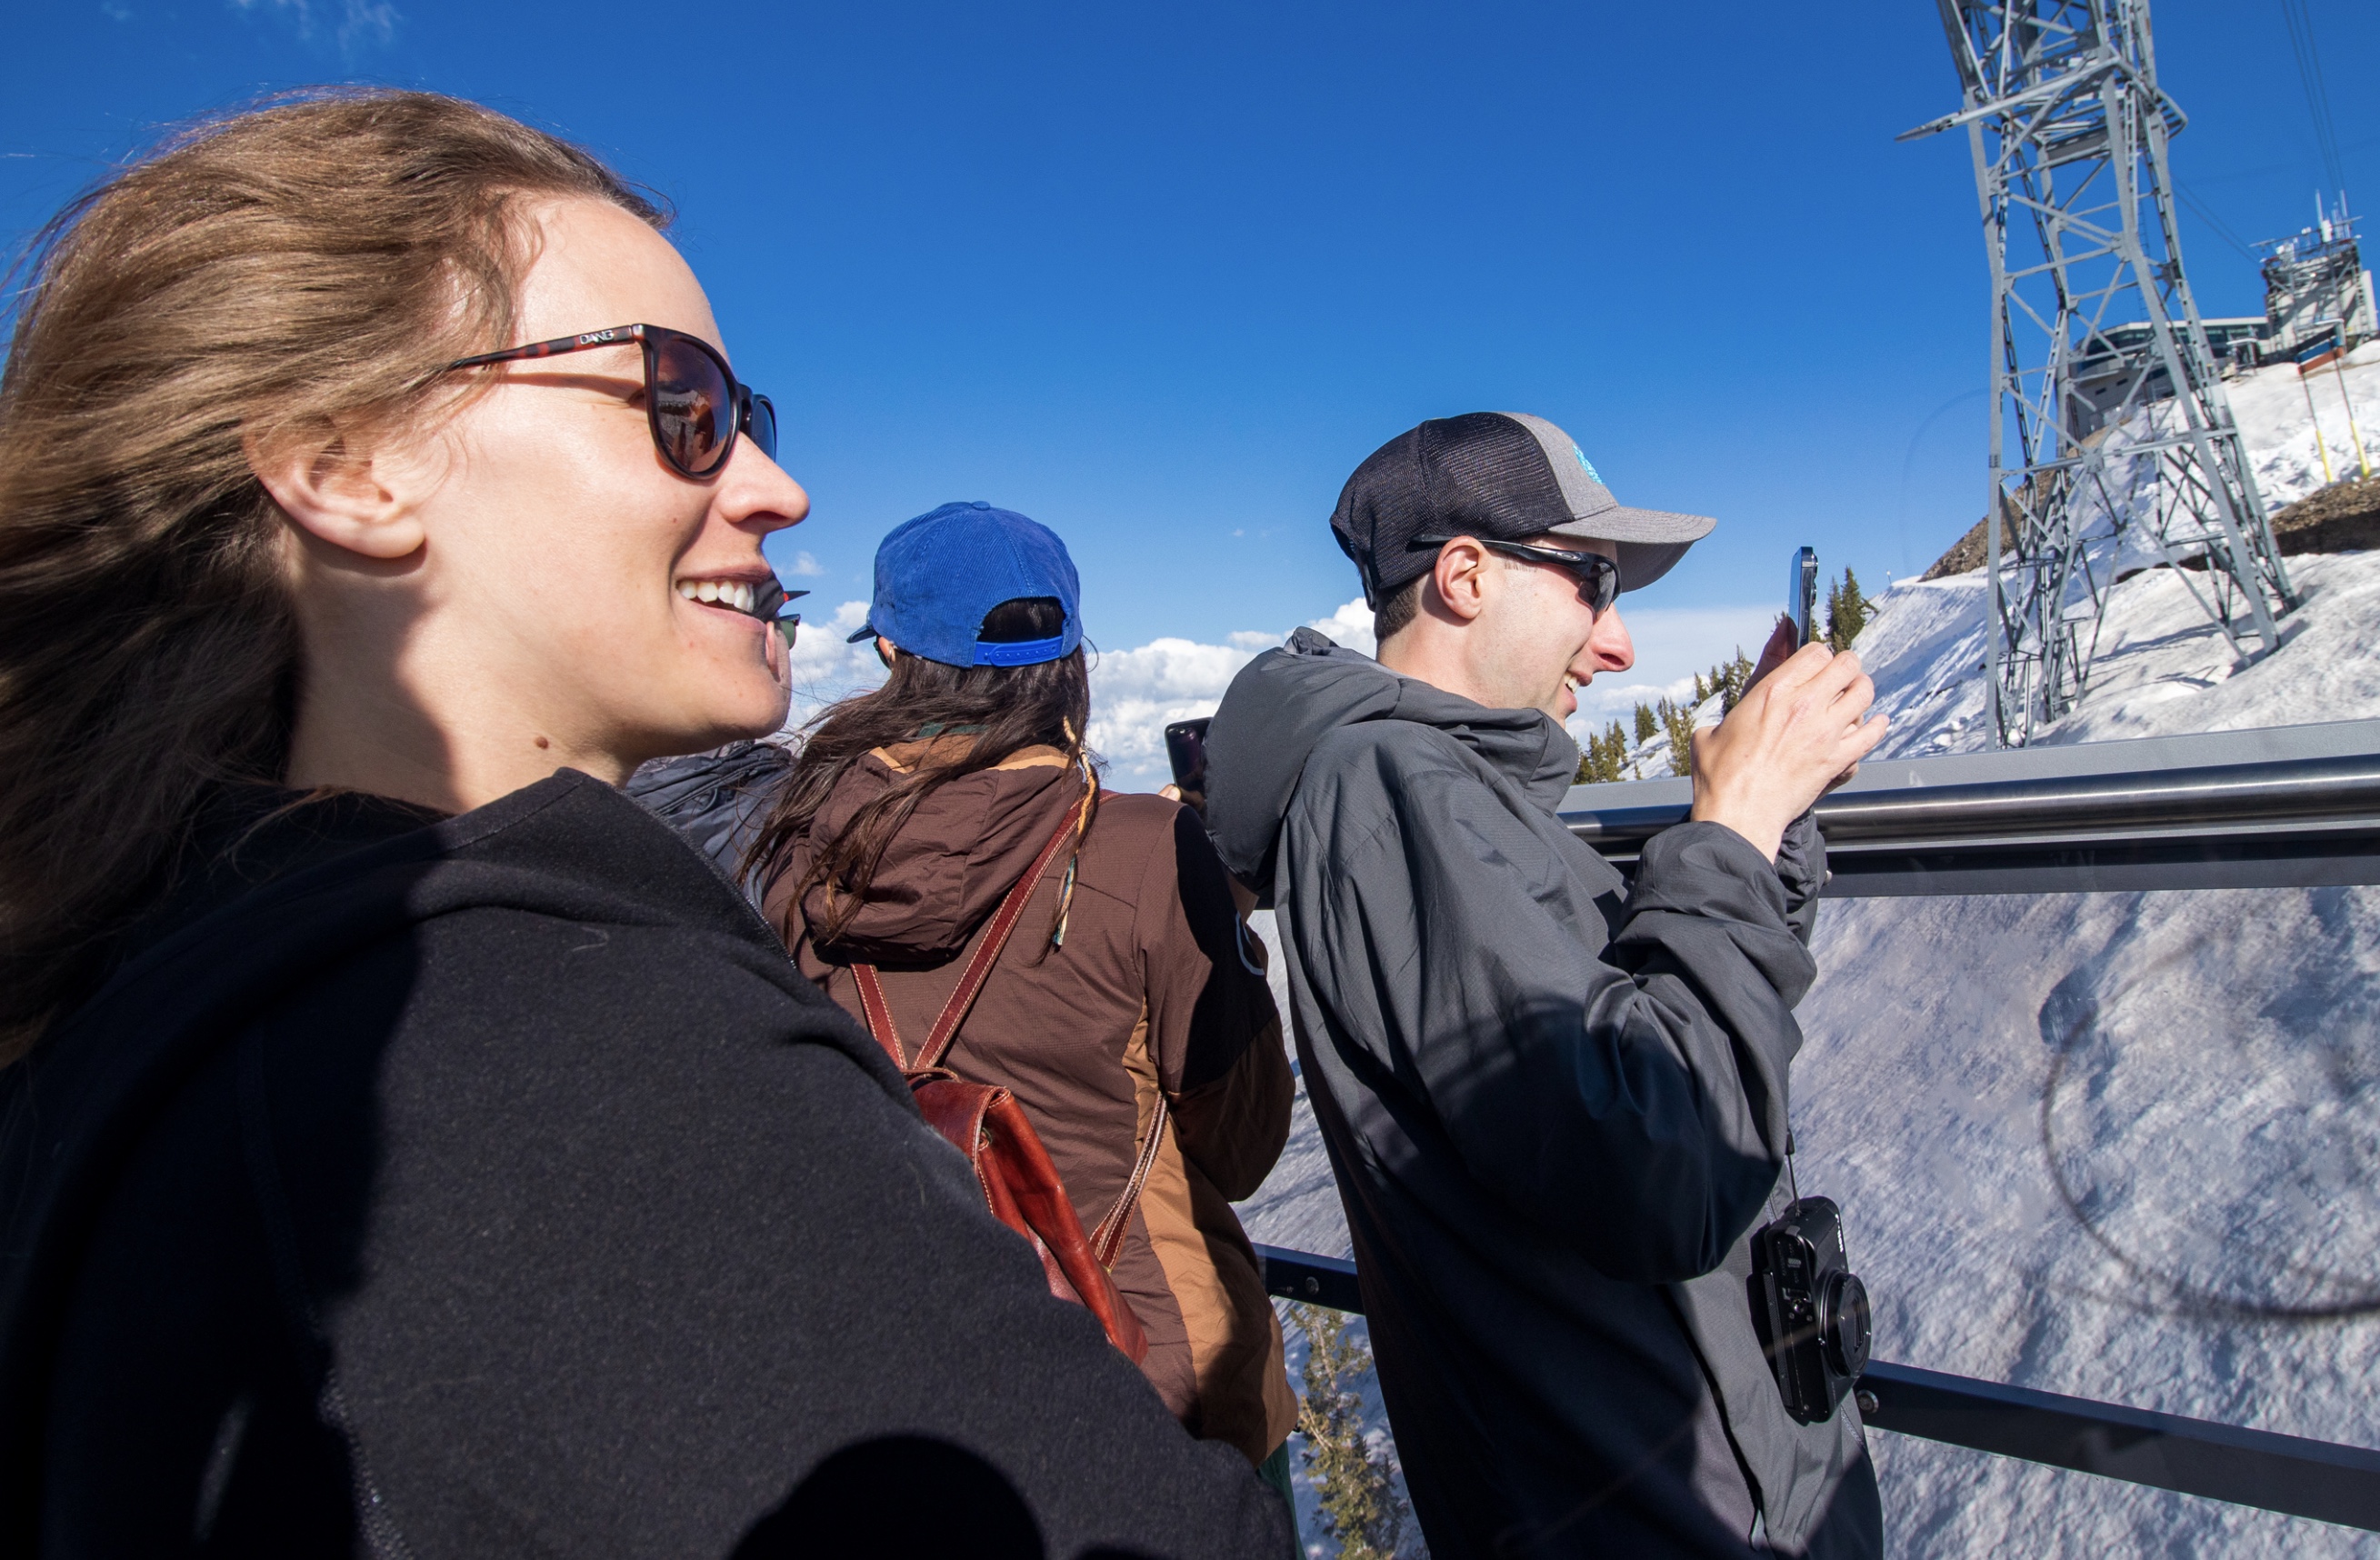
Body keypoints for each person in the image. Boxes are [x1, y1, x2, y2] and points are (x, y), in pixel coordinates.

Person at [0, 90, 1289, 1557]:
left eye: (750, 420)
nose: (776, 487)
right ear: (346, 463)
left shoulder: (147, 998)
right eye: (680, 406)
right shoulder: (560, 1048)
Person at [1200, 412, 1888, 1557]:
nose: (1615, 644)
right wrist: (1729, 831)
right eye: (1591, 585)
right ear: (1464, 576)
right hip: (1653, 1512)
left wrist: (1763, 829)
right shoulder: (1393, 788)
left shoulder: (1457, 791)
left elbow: (1646, 1024)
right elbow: (1659, 1157)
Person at [725, 502, 1301, 1498]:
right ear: (1069, 659)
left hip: (917, 1372)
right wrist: (1220, 921)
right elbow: (1242, 1146)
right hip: (1159, 1381)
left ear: (893, 654)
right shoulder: (1137, 848)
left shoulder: (787, 848)